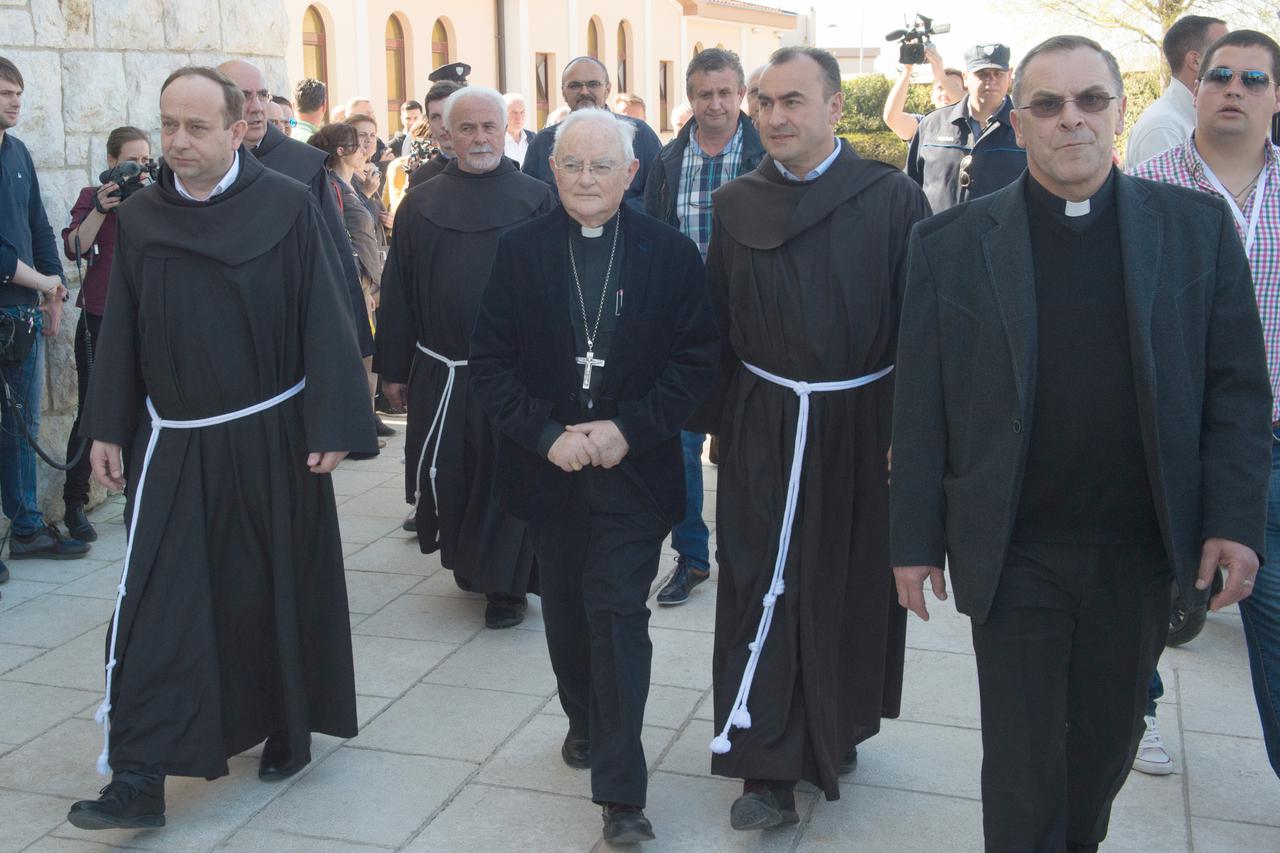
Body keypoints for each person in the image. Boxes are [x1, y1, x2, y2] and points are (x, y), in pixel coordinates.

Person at [892, 35, 1270, 852]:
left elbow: (1236, 392)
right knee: (1023, 766)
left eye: (1090, 101)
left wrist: (1233, 519)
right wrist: (913, 540)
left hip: (1137, 552)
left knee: (1103, 751)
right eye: (1048, 105)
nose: (1072, 120)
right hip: (1015, 546)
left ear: (1119, 112)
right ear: (1018, 123)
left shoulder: (1195, 231)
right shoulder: (950, 245)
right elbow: (920, 405)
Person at [66, 65, 376, 830]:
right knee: (153, 605)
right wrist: (107, 427)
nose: (177, 141)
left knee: (266, 590)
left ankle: (283, 724)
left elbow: (323, 313)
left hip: (272, 437)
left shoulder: (286, 205)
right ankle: (136, 779)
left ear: (238, 130)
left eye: (196, 127)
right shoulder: (140, 219)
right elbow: (123, 334)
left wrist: (334, 423)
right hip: (174, 444)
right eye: (168, 124)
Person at [690, 45, 928, 830]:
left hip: (861, 425)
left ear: (834, 109)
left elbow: (919, 331)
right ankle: (765, 766)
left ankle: (837, 723)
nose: (776, 116)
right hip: (764, 421)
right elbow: (719, 326)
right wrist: (721, 425)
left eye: (794, 101)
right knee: (760, 580)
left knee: (846, 581)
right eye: (766, 102)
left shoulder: (892, 199)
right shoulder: (735, 204)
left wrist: (910, 433)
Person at [469, 108, 718, 845]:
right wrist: (547, 436)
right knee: (572, 618)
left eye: (602, 165)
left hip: (632, 475)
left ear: (631, 173)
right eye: (573, 164)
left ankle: (622, 792)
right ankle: (583, 714)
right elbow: (490, 363)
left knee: (618, 614)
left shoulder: (671, 254)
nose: (586, 178)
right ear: (552, 170)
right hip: (550, 473)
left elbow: (697, 363)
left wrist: (627, 429)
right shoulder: (519, 252)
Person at [1132, 28, 1280, 780]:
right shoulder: (1149, 186)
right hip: (1172, 439)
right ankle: (1140, 712)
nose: (1234, 88)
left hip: (1272, 444)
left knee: (1274, 612)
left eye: (1254, 79)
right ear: (1197, 83)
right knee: (1150, 594)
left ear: (1275, 98)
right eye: (1221, 74)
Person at [376, 87, 554, 628]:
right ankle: (469, 561)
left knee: (508, 476)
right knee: (453, 473)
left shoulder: (537, 198)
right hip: (442, 369)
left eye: (489, 128)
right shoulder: (421, 202)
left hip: (516, 376)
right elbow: (400, 289)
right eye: (468, 129)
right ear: (447, 135)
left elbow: (553, 291)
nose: (480, 138)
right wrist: (393, 368)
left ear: (506, 131)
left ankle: (507, 589)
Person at [643, 47, 764, 606]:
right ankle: (691, 557)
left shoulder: (768, 155)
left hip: (756, 327)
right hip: (684, 328)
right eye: (703, 94)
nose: (714, 104)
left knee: (747, 446)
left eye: (724, 92)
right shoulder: (666, 163)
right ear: (688, 99)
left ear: (742, 94)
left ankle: (749, 555)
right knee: (680, 446)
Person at [218, 60, 373, 362]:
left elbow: (335, 255)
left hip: (291, 334)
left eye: (262, 95)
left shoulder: (303, 166)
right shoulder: (204, 167)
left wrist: (349, 338)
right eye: (243, 96)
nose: (256, 107)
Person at [0, 55, 87, 573]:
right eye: (6, 92)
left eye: (18, 93)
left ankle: (27, 527)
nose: (16, 101)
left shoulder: (18, 152)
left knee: (22, 427)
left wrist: (53, 296)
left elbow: (37, 225)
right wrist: (43, 283)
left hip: (20, 320)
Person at [60, 125, 153, 544]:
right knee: (92, 411)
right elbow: (75, 248)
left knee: (144, 410)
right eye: (132, 161)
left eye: (146, 161)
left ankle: (138, 497)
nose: (139, 169)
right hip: (99, 317)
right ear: (112, 163)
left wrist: (152, 194)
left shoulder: (156, 197)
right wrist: (100, 208)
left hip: (145, 319)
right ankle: (74, 503)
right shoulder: (90, 198)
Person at [521, 56, 662, 204]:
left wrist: (610, 215)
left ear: (608, 89)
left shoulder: (639, 134)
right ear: (563, 92)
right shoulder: (543, 143)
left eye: (593, 84)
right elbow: (530, 201)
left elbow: (659, 195)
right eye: (574, 85)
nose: (584, 91)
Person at [906, 43, 1026, 213]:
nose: (990, 81)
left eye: (998, 74)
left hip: (1002, 237)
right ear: (966, 77)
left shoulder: (1026, 127)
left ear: (1010, 75)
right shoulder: (932, 124)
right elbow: (911, 187)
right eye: (982, 74)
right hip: (937, 235)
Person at [1126, 16, 1229, 168]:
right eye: (1224, 52)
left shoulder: (1191, 120)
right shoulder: (1163, 128)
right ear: (1195, 61)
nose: (1235, 59)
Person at [882, 45, 964, 141]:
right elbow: (892, 118)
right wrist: (907, 69)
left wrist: (940, 74)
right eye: (940, 88)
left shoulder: (975, 124)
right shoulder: (923, 124)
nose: (945, 92)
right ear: (932, 96)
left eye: (952, 87)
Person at [406, 81, 464, 192]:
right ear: (429, 123)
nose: (443, 124)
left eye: (449, 115)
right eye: (436, 117)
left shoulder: (487, 169)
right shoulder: (420, 178)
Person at [503, 93, 536, 166]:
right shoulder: (495, 140)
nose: (519, 117)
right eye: (514, 112)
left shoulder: (534, 138)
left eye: (522, 112)